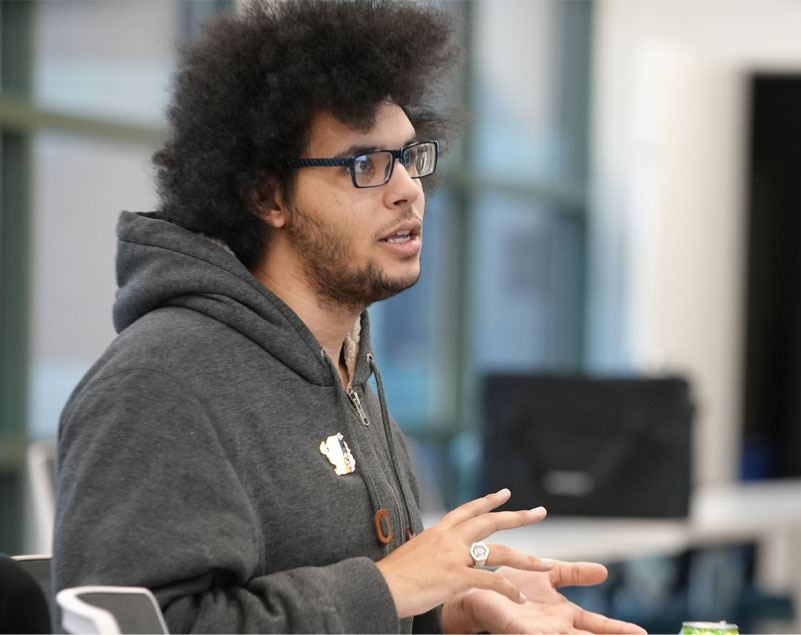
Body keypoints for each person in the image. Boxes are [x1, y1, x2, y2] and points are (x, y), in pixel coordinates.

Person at [52, 1, 646, 633]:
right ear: (268, 195)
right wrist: (391, 587)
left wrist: (454, 610)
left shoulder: (345, 364)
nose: (408, 189)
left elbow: (362, 602)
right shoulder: (160, 384)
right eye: (364, 165)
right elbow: (157, 623)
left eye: (410, 157)